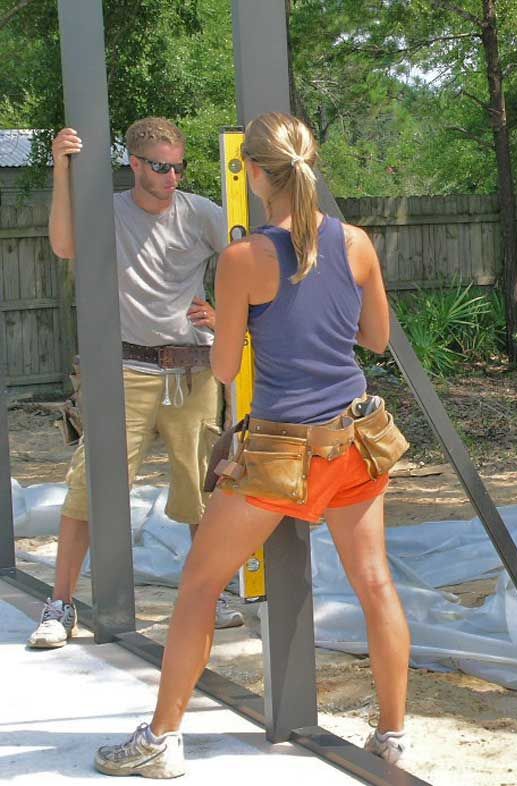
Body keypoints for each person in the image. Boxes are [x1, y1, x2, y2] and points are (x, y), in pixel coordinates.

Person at [93, 112, 412, 778]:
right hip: (355, 441)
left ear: (255, 174)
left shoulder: (242, 259)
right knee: (376, 584)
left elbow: (224, 369)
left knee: (200, 585)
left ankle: (162, 739)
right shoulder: (355, 243)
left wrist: (228, 321)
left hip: (278, 453)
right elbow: (377, 337)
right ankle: (392, 736)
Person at [31, 117, 243, 651]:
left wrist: (226, 317)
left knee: (202, 486)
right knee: (91, 486)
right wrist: (61, 168)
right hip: (124, 369)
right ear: (135, 164)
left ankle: (209, 594)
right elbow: (62, 244)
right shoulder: (111, 212)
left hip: (191, 369)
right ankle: (60, 603)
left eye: (179, 167)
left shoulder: (201, 214)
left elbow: (251, 263)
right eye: (161, 167)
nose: (172, 177)